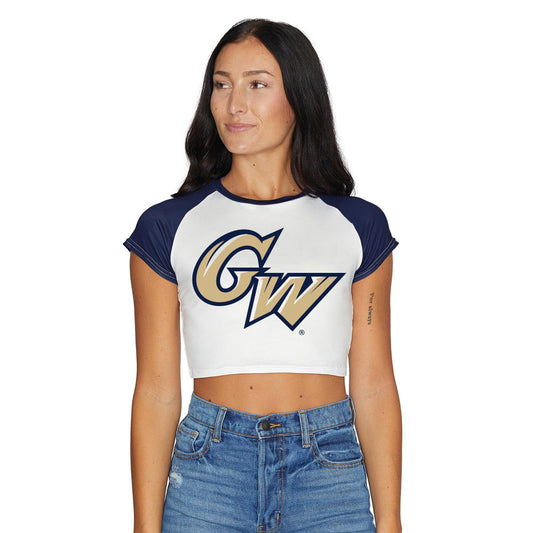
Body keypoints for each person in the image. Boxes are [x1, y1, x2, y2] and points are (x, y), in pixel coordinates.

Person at [123, 18, 402, 533]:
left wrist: (390, 520)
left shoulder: (359, 226)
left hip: (327, 469)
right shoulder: (167, 227)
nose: (235, 104)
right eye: (222, 84)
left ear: (299, 96)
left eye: (257, 84)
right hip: (209, 470)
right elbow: (157, 389)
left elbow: (375, 384)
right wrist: (144, 526)